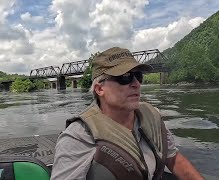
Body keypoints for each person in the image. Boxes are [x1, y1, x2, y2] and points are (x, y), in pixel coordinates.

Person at [51, 47, 204, 180]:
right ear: (99, 89)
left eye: (138, 76)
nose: (136, 84)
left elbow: (174, 159)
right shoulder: (78, 137)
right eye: (125, 77)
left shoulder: (153, 116)